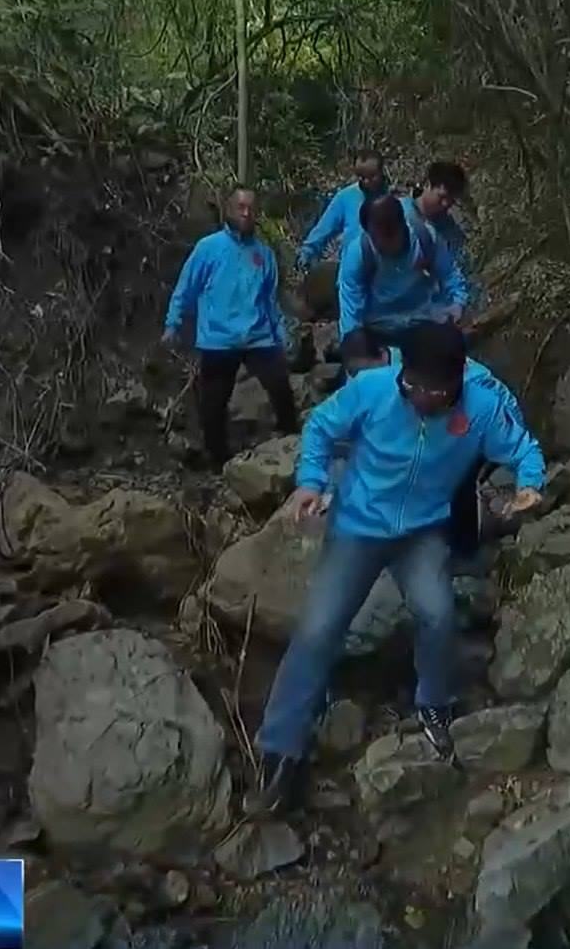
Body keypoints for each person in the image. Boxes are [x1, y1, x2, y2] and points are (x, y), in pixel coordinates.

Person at [247, 322, 545, 813]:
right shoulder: (373, 389)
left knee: (438, 613)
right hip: (358, 525)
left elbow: (524, 448)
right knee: (319, 629)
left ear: (455, 383)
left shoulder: (481, 407)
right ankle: (280, 747)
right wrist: (310, 480)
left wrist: (529, 483)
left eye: (433, 391)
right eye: (412, 385)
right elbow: (321, 426)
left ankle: (433, 702)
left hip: (422, 532)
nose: (419, 397)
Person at [338, 328, 521, 563]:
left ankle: (465, 553)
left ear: (383, 355)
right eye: (354, 373)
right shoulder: (367, 378)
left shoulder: (422, 369)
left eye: (365, 371)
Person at [163, 188, 298, 467]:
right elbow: (186, 288)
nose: (246, 213)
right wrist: (172, 324)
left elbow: (270, 301)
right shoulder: (208, 248)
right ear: (228, 209)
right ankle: (218, 461)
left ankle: (293, 445)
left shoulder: (264, 254)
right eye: (240, 207)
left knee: (281, 389)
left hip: (258, 337)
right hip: (219, 339)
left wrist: (281, 335)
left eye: (251, 208)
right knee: (213, 405)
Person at [337, 193, 471, 345]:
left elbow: (450, 275)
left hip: (425, 316)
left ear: (403, 225)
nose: (384, 244)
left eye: (390, 236)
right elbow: (350, 312)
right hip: (379, 326)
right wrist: (353, 347)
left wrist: (457, 304)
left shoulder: (425, 237)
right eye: (376, 238)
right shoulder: (358, 254)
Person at [295, 148, 390, 269]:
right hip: (351, 268)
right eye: (362, 177)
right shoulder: (346, 197)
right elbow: (325, 228)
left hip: (385, 268)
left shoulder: (394, 199)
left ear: (381, 172)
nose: (366, 182)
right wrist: (307, 251)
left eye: (372, 177)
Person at [405, 161, 476, 306]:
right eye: (441, 197)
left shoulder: (450, 232)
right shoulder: (398, 212)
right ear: (427, 185)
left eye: (451, 200)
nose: (445, 204)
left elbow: (457, 272)